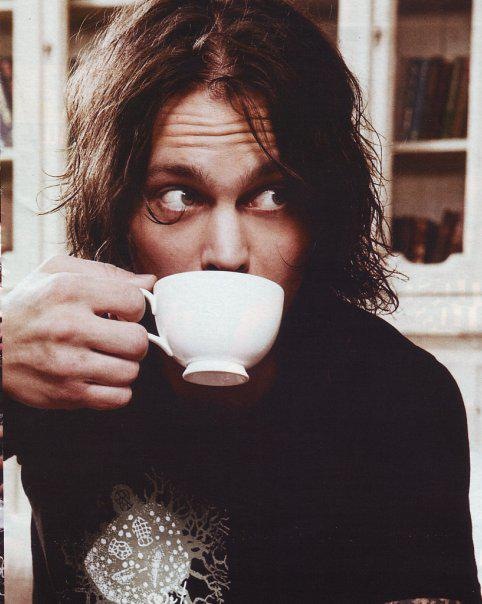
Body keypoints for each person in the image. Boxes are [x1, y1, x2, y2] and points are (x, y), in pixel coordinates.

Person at [3, 0, 481, 602]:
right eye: (178, 196)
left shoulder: (400, 398)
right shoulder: (58, 363)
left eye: (272, 195)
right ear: (116, 211)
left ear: (322, 213)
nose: (227, 253)